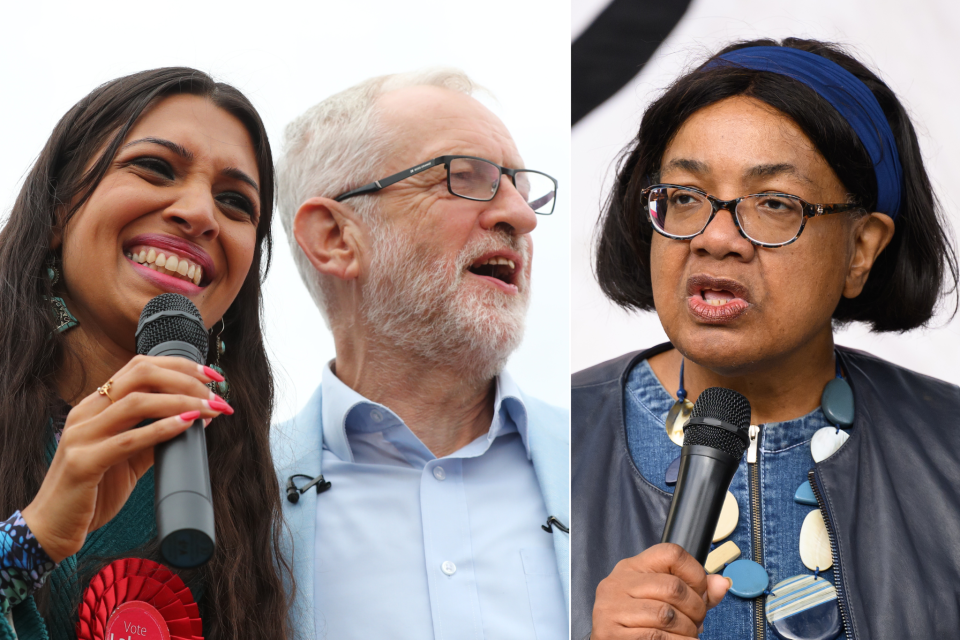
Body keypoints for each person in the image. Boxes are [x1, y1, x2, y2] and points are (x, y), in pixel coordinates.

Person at [572, 38, 960, 640]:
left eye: (774, 203)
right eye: (683, 197)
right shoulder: (546, 443)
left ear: (861, 249)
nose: (716, 238)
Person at [272, 69, 569, 639]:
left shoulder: (606, 463)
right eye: (465, 178)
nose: (523, 218)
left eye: (523, 192)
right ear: (335, 237)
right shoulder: (234, 495)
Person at [0, 68, 289, 640]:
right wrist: (28, 543)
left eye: (235, 203)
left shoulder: (244, 487)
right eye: (155, 168)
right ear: (58, 211)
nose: (201, 213)